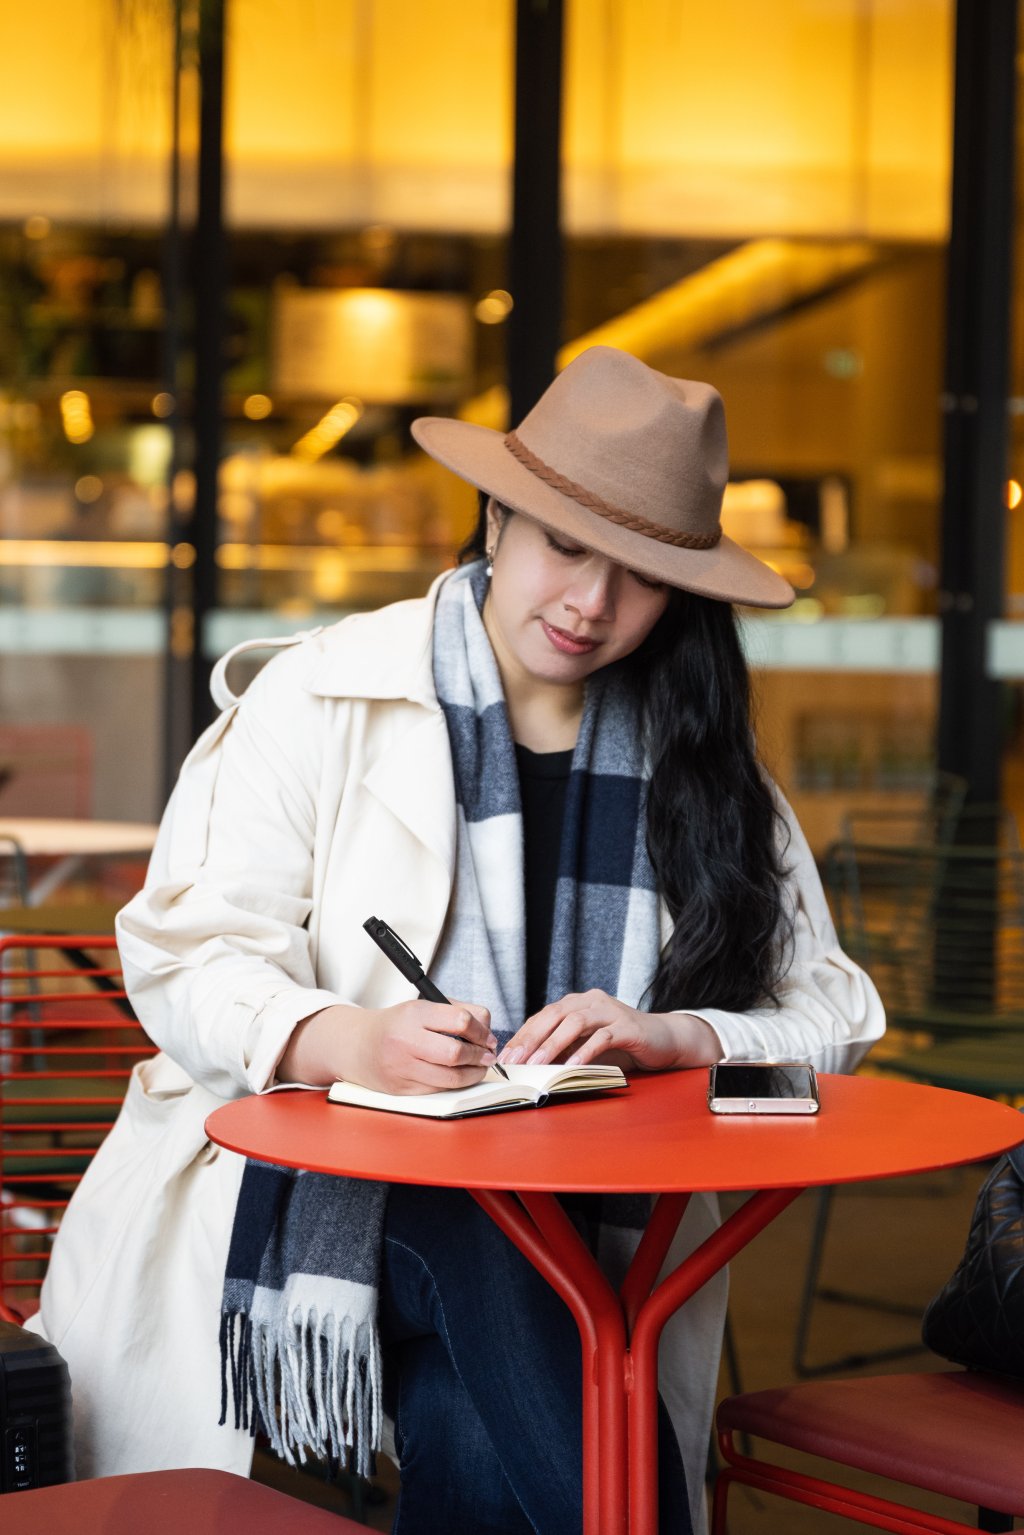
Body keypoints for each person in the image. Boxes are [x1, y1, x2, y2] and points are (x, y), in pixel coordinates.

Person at [29, 346, 884, 1535]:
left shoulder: (705, 771)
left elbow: (833, 1019)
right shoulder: (321, 693)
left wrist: (671, 1033)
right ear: (495, 517)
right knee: (479, 1229)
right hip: (316, 1198)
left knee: (487, 1407)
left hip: (583, 1232)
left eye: (638, 575)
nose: (590, 602)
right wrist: (347, 1037)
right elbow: (185, 956)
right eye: (564, 546)